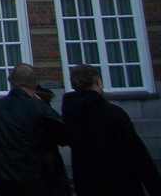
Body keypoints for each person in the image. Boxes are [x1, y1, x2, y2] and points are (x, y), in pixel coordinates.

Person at [61, 63, 161, 195]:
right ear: (97, 80)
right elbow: (137, 153)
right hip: (120, 184)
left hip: (87, 186)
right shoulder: (112, 113)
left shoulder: (69, 115)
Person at [0, 63, 69, 196]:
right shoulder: (39, 108)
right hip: (41, 184)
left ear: (11, 81)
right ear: (36, 83)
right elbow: (64, 136)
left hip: (7, 184)